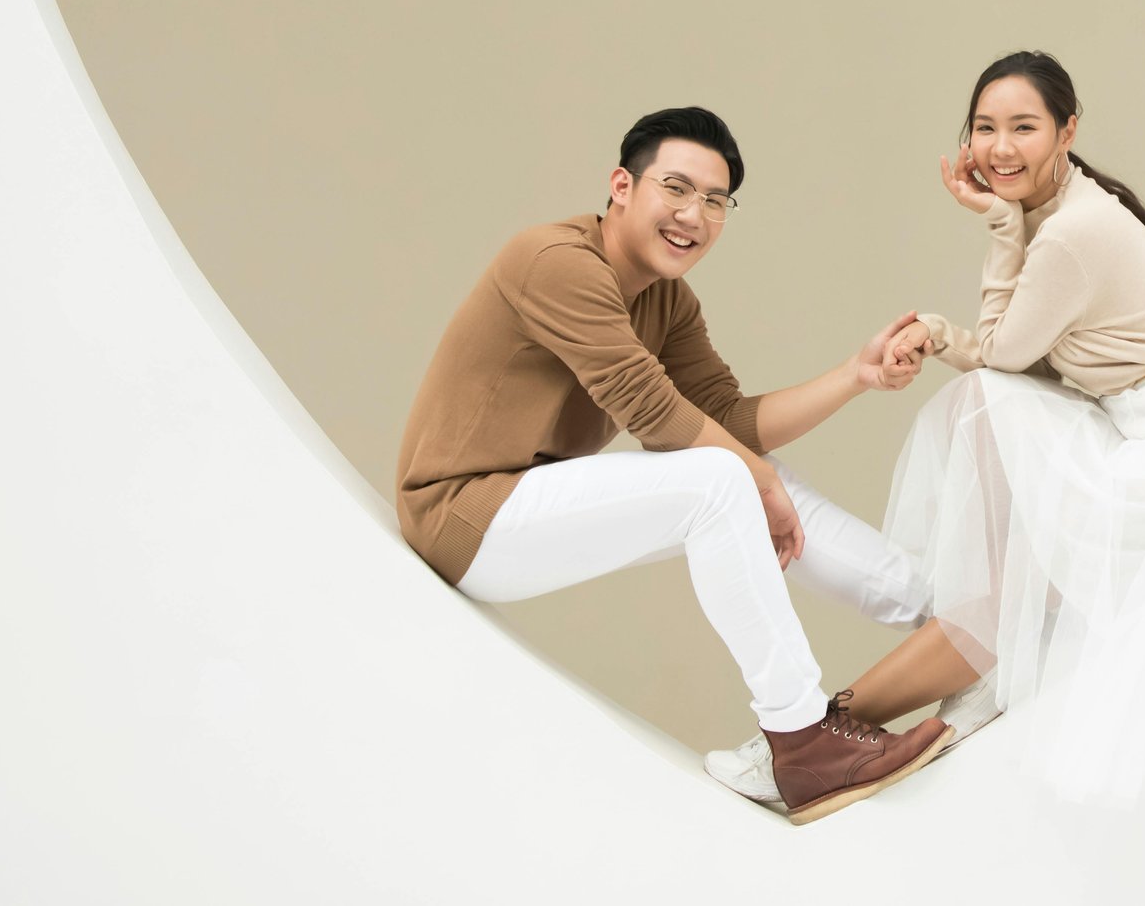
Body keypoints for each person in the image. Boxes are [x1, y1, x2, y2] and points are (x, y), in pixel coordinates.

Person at [705, 51, 1145, 806]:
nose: (999, 147)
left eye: (1023, 127)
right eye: (984, 128)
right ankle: (880, 712)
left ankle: (808, 740)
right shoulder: (1064, 217)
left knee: (984, 420)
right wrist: (958, 309)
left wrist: (997, 225)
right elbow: (1021, 359)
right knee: (1003, 570)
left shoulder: (1070, 232)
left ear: (1067, 131)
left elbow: (1005, 356)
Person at [394, 106, 950, 824]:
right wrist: (755, 479)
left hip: (526, 502)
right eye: (677, 189)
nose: (696, 214)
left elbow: (726, 418)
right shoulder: (553, 260)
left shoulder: (668, 301)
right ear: (622, 185)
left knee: (743, 468)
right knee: (729, 478)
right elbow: (646, 405)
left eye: (716, 200)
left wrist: (855, 375)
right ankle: (801, 736)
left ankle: (945, 618)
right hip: (460, 514)